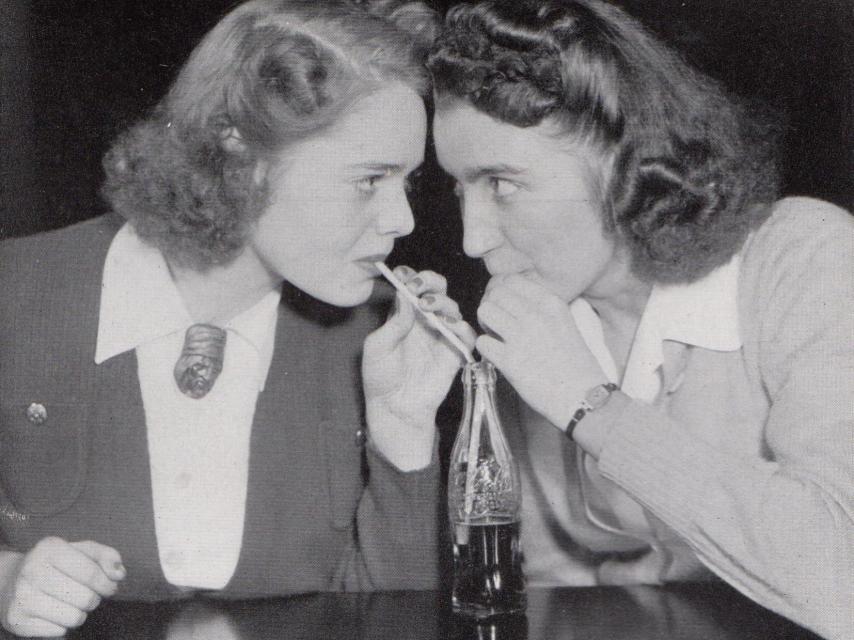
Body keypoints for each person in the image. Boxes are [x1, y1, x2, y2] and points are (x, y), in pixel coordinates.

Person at [0, 0, 477, 636]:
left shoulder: (380, 341)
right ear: (242, 152)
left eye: (407, 182)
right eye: (369, 180)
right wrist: (4, 581)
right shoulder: (16, 296)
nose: (402, 220)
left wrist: (403, 430)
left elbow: (386, 620)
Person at [427, 1, 853, 639]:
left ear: (621, 158)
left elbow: (843, 572)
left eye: (502, 184)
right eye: (460, 188)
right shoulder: (545, 312)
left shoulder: (807, 259)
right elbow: (548, 590)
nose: (473, 238)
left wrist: (594, 409)